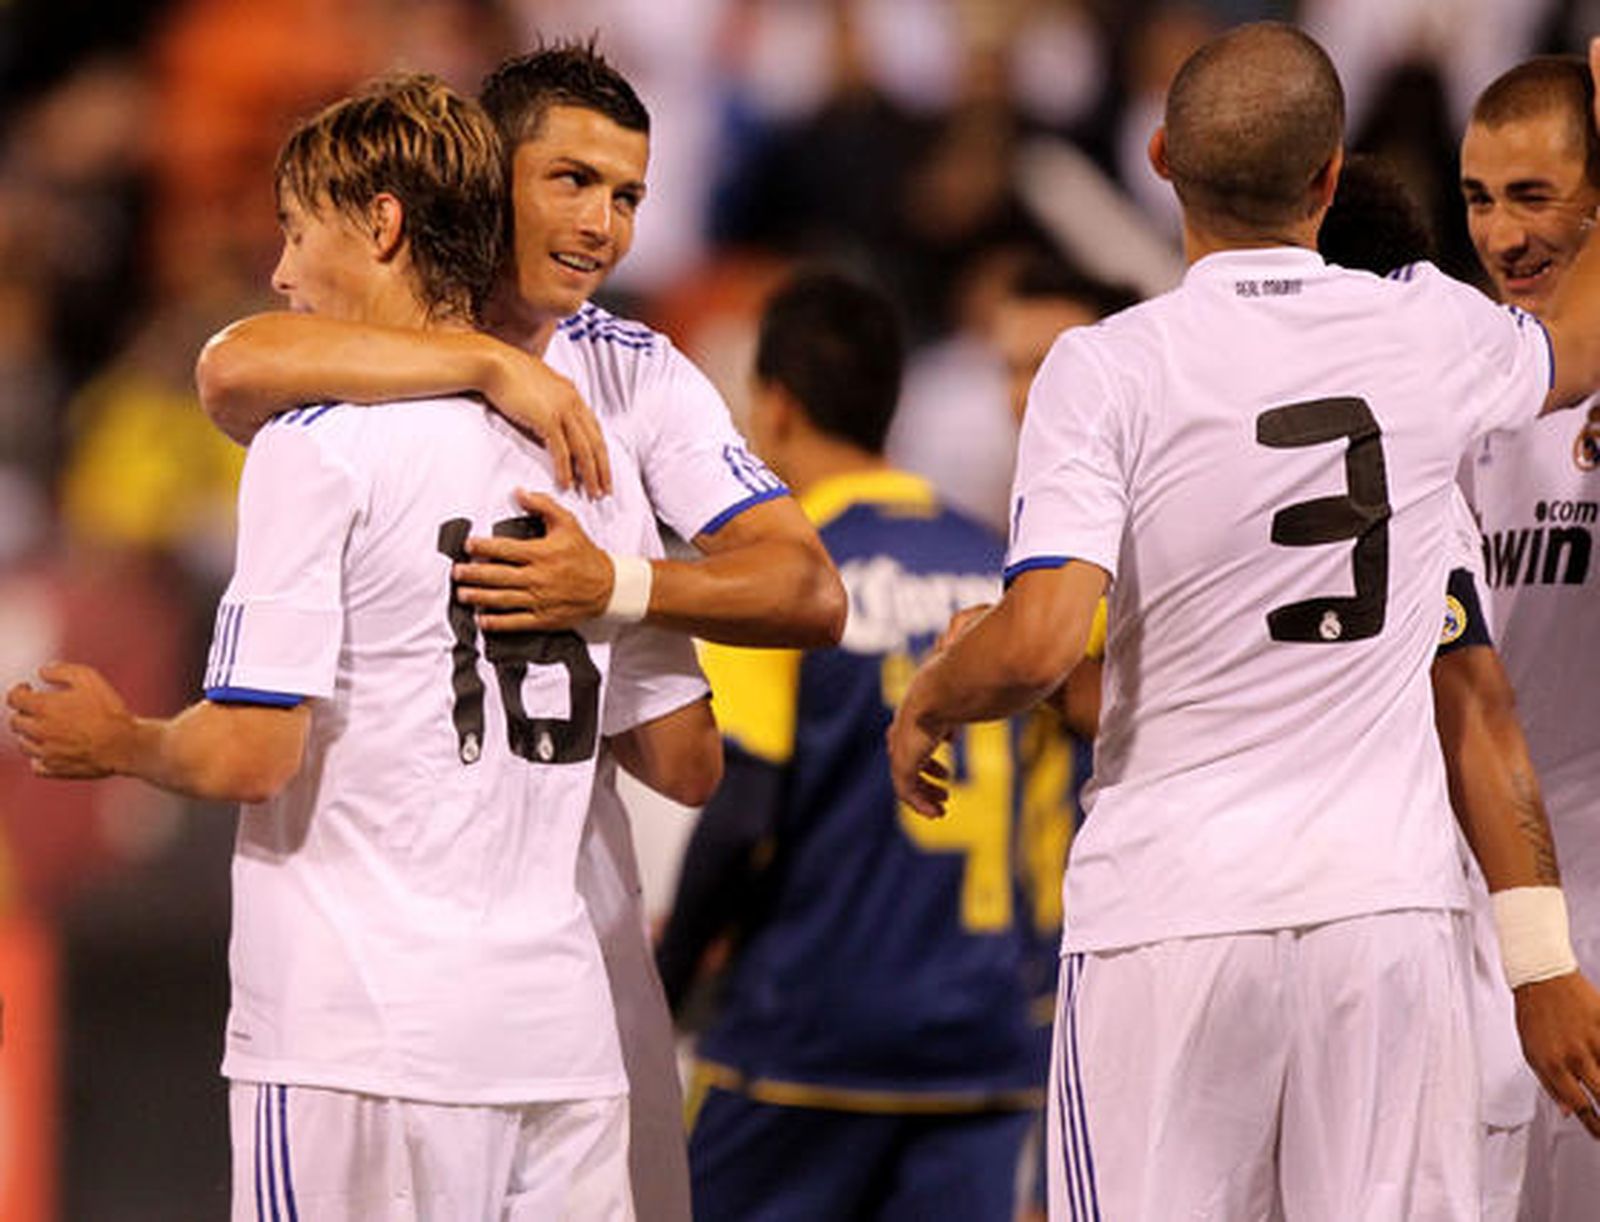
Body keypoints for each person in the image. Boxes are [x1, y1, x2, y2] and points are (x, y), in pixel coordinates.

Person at [888, 24, 1600, 1220]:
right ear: (1330, 174)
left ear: (1159, 158)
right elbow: (1573, 346)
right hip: (1386, 917)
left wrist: (932, 697)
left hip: (1170, 922)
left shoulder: (1102, 367)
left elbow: (1045, 634)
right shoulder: (1429, 330)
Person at [8, 74, 721, 1220]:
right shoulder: (594, 467)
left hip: (358, 1036)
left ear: (381, 224)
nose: (283, 272)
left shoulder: (317, 447)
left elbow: (252, 754)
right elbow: (686, 761)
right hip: (556, 1042)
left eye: (297, 232)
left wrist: (124, 740)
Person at [191, 40, 846, 1222]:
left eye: (630, 195)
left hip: (554, 935)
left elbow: (806, 593)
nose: (603, 225)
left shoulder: (636, 374)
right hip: (422, 949)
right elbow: (234, 361)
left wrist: (619, 589)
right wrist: (492, 367)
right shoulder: (377, 358)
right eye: (572, 181)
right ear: (488, 178)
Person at [656, 269, 1041, 1220]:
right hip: (983, 1039)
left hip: (806, 1039)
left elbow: (743, 811)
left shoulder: (782, 582)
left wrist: (662, 988)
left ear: (775, 404)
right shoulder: (994, 562)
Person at [1458, 54, 1600, 1220]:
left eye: (1533, 196)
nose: (1500, 235)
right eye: (1476, 197)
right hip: (1469, 937)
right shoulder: (1450, 384)